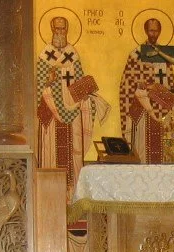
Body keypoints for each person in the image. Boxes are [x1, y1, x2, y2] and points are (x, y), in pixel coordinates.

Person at [35, 16, 109, 200]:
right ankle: (51, 198)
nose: (60, 33)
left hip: (73, 115)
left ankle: (73, 198)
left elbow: (80, 83)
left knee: (72, 152)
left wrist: (86, 95)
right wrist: (48, 81)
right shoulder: (45, 56)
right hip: (51, 114)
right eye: (57, 30)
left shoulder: (72, 54)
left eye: (63, 30)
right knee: (52, 154)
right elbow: (36, 88)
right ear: (52, 30)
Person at [119, 19, 174, 163]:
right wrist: (139, 85)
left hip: (164, 107)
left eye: (156, 30)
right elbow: (127, 80)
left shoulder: (165, 54)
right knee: (144, 148)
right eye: (150, 30)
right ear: (146, 31)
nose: (153, 33)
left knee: (163, 149)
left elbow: (170, 81)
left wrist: (173, 96)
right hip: (144, 109)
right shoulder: (136, 54)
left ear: (159, 31)